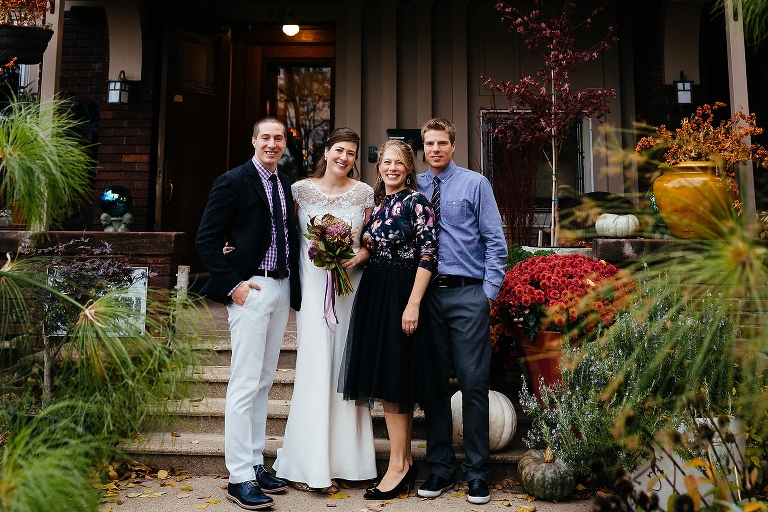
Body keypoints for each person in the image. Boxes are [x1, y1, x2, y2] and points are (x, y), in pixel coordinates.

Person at [195, 117, 302, 511]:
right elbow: (206, 239)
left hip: (282, 285)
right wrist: (233, 284)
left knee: (264, 380)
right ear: (254, 140)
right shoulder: (233, 180)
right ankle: (238, 476)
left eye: (278, 138)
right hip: (251, 289)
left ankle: (256, 463)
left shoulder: (285, 182)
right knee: (243, 383)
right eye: (266, 138)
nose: (272, 144)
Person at [271, 128, 377, 492]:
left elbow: (372, 242)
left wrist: (356, 256)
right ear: (327, 151)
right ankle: (309, 465)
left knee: (346, 369)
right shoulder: (299, 190)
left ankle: (350, 462)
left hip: (351, 290)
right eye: (339, 150)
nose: (344, 158)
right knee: (316, 370)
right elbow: (279, 234)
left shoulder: (365, 194)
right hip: (314, 296)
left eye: (351, 153)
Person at [415, 118, 507, 505]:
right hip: (426, 296)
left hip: (467, 294)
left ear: (453, 145)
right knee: (434, 384)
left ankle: (476, 473)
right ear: (423, 148)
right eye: (429, 144)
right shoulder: (413, 186)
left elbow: (495, 242)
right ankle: (439, 467)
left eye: (442, 143)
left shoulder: (475, 183)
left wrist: (487, 294)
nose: (435, 149)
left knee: (472, 382)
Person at [340, 139, 438, 500]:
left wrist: (412, 305)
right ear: (379, 167)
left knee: (395, 381)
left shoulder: (418, 203)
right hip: (375, 292)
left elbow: (428, 256)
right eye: (386, 162)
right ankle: (406, 461)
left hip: (402, 292)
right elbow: (372, 245)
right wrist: (351, 260)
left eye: (399, 163)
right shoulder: (380, 205)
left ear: (409, 168)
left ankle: (397, 467)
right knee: (388, 378)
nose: (391, 168)